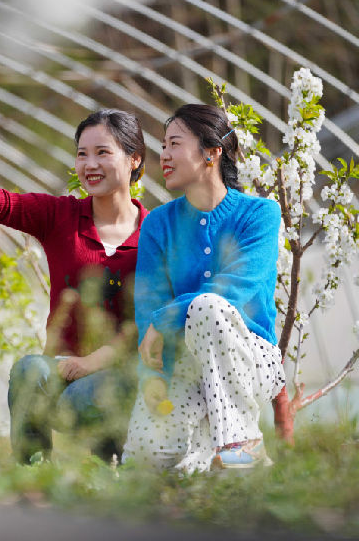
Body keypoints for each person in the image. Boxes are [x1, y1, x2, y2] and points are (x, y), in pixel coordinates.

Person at [0, 94, 147, 464]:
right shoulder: (60, 216)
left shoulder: (156, 231)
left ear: (134, 159)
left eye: (102, 153)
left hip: (121, 371)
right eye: (82, 154)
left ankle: (111, 468)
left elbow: (156, 317)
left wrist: (96, 360)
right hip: (59, 367)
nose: (89, 164)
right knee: (29, 370)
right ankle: (33, 471)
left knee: (84, 402)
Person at [122, 104, 286, 472]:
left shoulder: (260, 214)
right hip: (182, 364)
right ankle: (210, 457)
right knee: (144, 464)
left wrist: (164, 320)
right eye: (163, 145)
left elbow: (235, 289)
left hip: (249, 357)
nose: (163, 155)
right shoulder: (158, 224)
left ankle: (240, 447)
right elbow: (147, 304)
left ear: (211, 153)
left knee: (209, 307)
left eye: (174, 144)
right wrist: (151, 377)